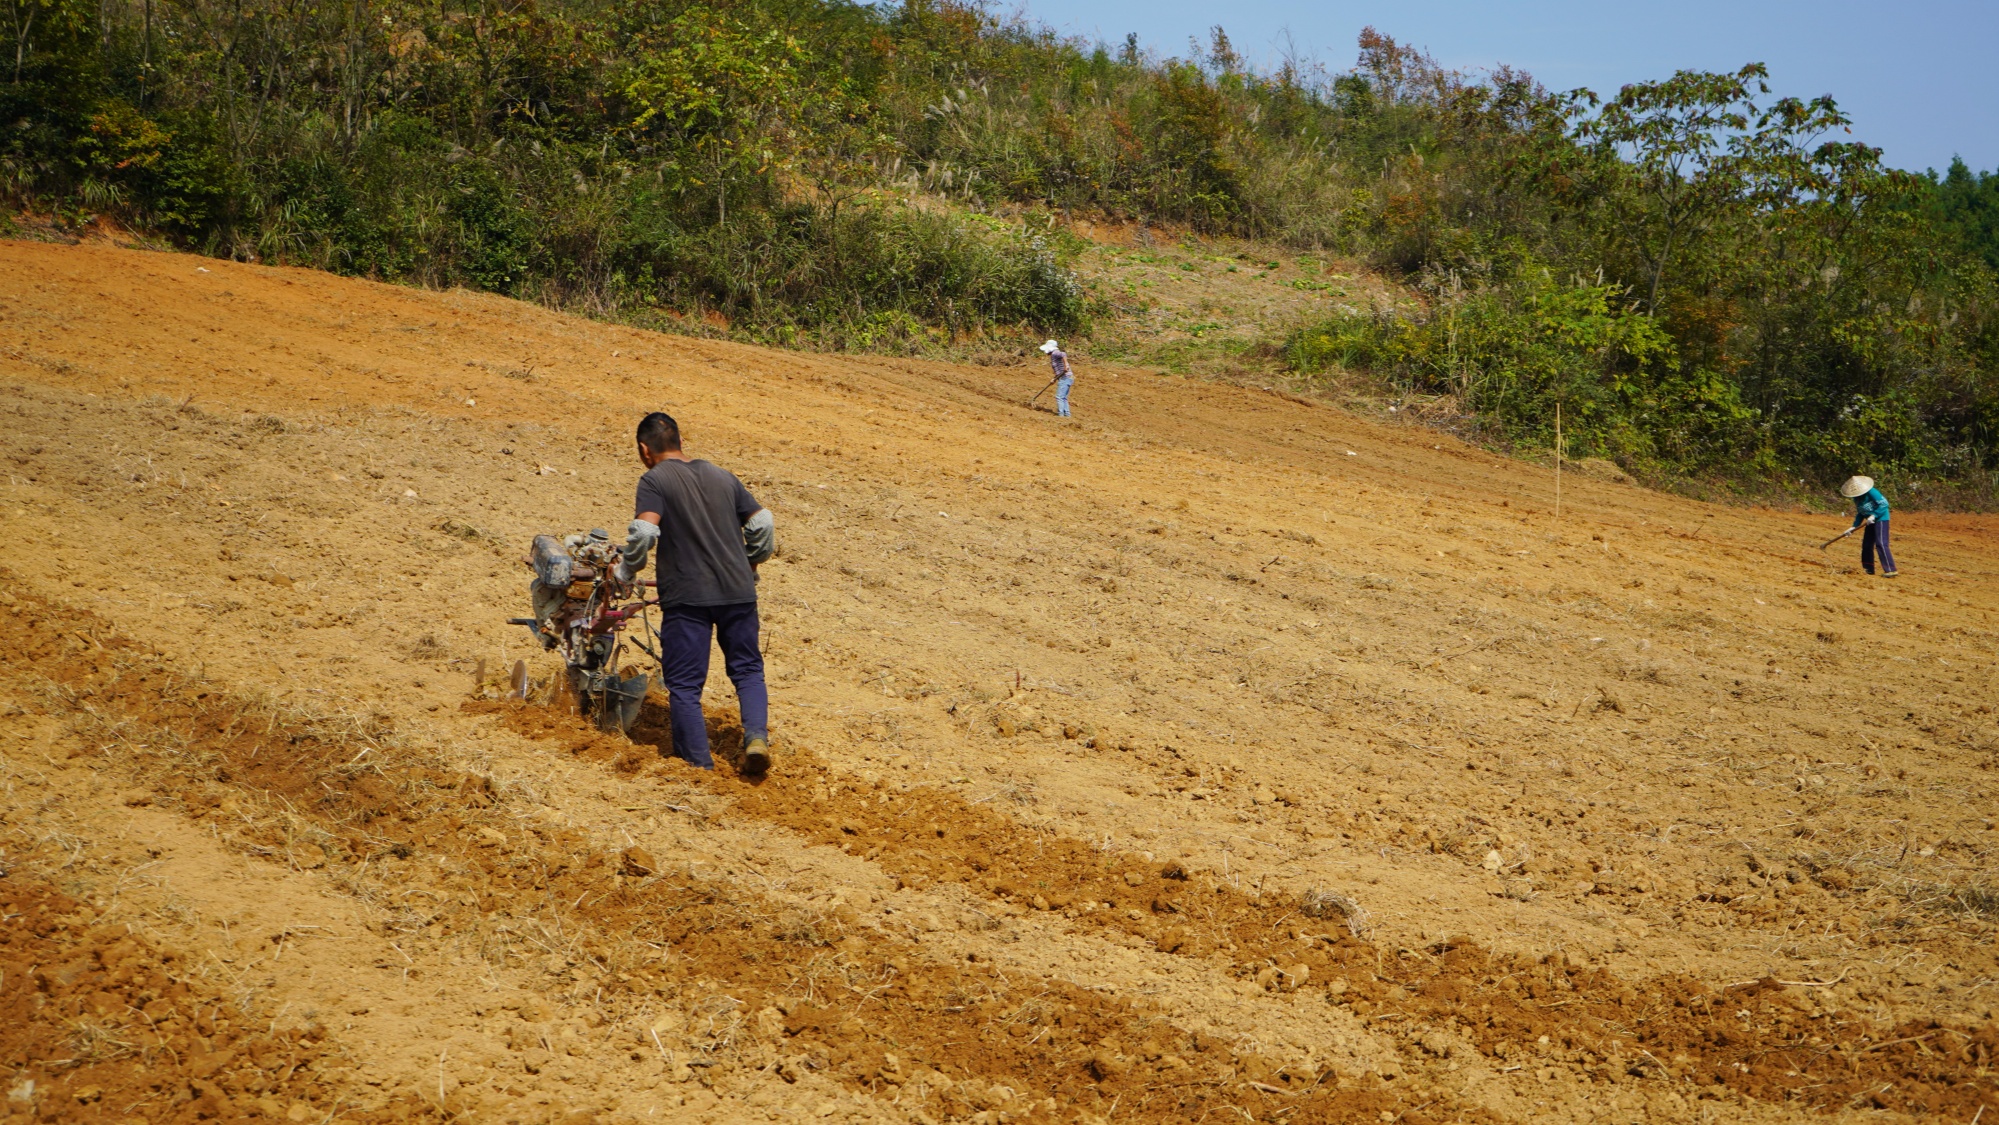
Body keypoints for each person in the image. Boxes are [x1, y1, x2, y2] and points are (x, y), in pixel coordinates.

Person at [624, 412, 776, 773]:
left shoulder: (654, 480)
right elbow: (763, 522)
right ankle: (755, 737)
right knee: (748, 670)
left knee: (685, 685)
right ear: (679, 441)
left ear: (645, 450)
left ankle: (698, 767)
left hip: (689, 598)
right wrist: (751, 564)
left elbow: (645, 533)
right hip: (738, 591)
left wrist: (627, 568)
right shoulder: (721, 475)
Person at [1840, 475, 1896, 577]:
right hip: (1870, 521)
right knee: (1866, 545)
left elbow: (1884, 504)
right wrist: (1854, 526)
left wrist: (1874, 515)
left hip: (1881, 519)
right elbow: (1861, 512)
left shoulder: (1872, 492)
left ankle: (1890, 570)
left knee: (1881, 544)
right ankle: (1868, 569)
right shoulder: (1856, 498)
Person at [1039, 339, 1074, 418]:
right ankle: (1067, 414)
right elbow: (1059, 369)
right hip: (1067, 377)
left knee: (1059, 397)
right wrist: (1054, 379)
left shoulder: (1055, 353)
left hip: (1065, 377)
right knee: (1063, 397)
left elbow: (1063, 354)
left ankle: (1061, 414)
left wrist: (1066, 366)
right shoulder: (1053, 355)